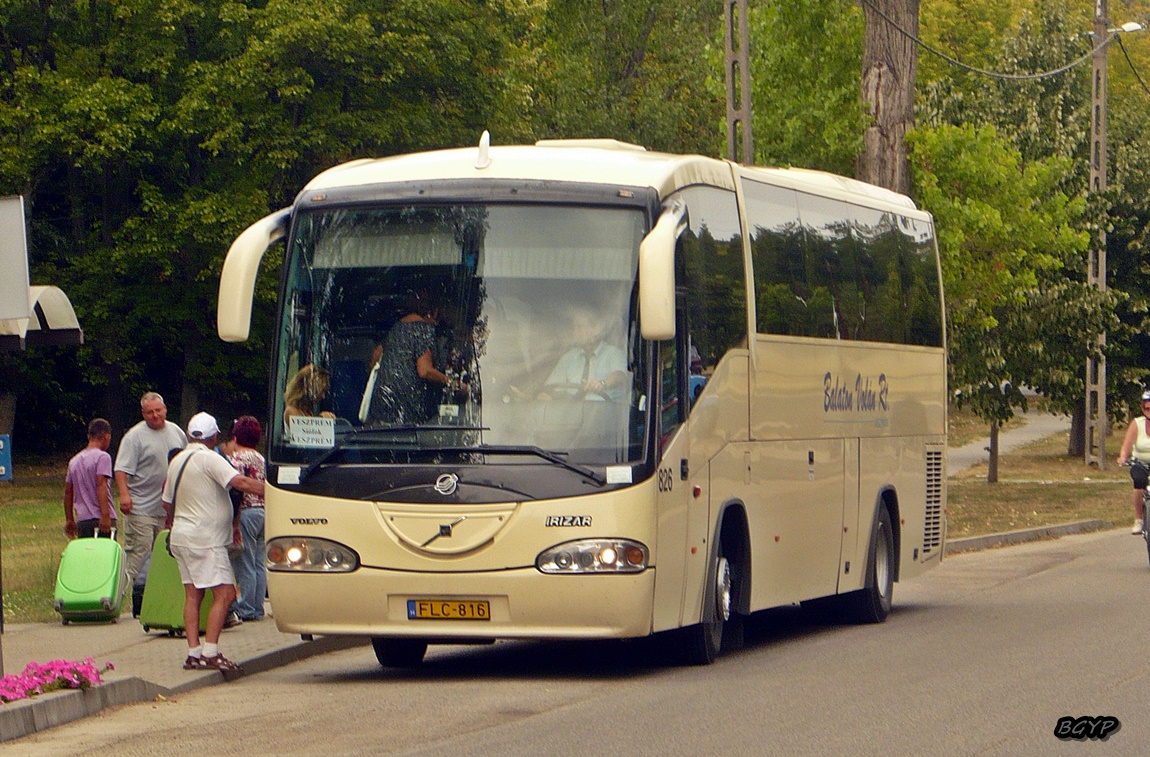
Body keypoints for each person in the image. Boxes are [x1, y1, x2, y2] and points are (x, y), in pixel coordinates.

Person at [163, 412, 265, 672]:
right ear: (214, 436)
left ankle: (194, 652)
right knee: (226, 593)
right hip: (205, 539)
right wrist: (274, 490)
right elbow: (239, 482)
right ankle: (211, 652)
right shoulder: (210, 458)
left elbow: (166, 501)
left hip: (181, 536)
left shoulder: (177, 460)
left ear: (189, 434)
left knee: (193, 594)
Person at [115, 391, 187, 616]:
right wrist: (125, 495)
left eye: (158, 410)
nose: (155, 416)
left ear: (165, 409)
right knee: (141, 550)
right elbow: (121, 469)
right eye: (150, 412)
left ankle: (154, 598)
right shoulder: (134, 437)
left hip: (165, 508)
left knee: (163, 555)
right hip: (140, 507)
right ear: (143, 413)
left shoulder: (176, 432)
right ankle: (125, 598)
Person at [366, 290, 465, 424]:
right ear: (433, 311)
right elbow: (424, 370)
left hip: (383, 401)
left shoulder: (397, 327)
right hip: (407, 405)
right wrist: (451, 383)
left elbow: (376, 356)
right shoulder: (424, 329)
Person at [225, 416, 267, 623]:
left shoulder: (236, 460)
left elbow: (236, 490)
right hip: (264, 511)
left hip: (246, 512)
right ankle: (258, 606)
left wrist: (235, 520)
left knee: (245, 563)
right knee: (259, 562)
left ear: (235, 436)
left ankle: (247, 608)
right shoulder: (260, 458)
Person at [540, 306, 628, 402]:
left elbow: (620, 375)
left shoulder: (613, 354)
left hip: (605, 414)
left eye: (579, 327)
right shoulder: (568, 358)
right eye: (574, 328)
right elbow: (552, 386)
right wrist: (546, 395)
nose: (575, 332)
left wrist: (602, 383)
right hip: (570, 413)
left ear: (597, 329)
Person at [63, 418, 115, 539]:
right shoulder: (103, 457)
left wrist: (70, 519)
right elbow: (101, 485)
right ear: (106, 437)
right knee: (105, 556)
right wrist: (105, 515)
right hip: (101, 519)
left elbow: (68, 492)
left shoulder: (74, 461)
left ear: (89, 436)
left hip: (83, 520)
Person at [1117, 389, 1150, 534]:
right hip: (1140, 462)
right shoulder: (1137, 424)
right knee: (1138, 483)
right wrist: (1123, 457)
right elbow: (1126, 446)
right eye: (1146, 408)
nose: (1149, 410)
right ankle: (1139, 519)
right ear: (1142, 408)